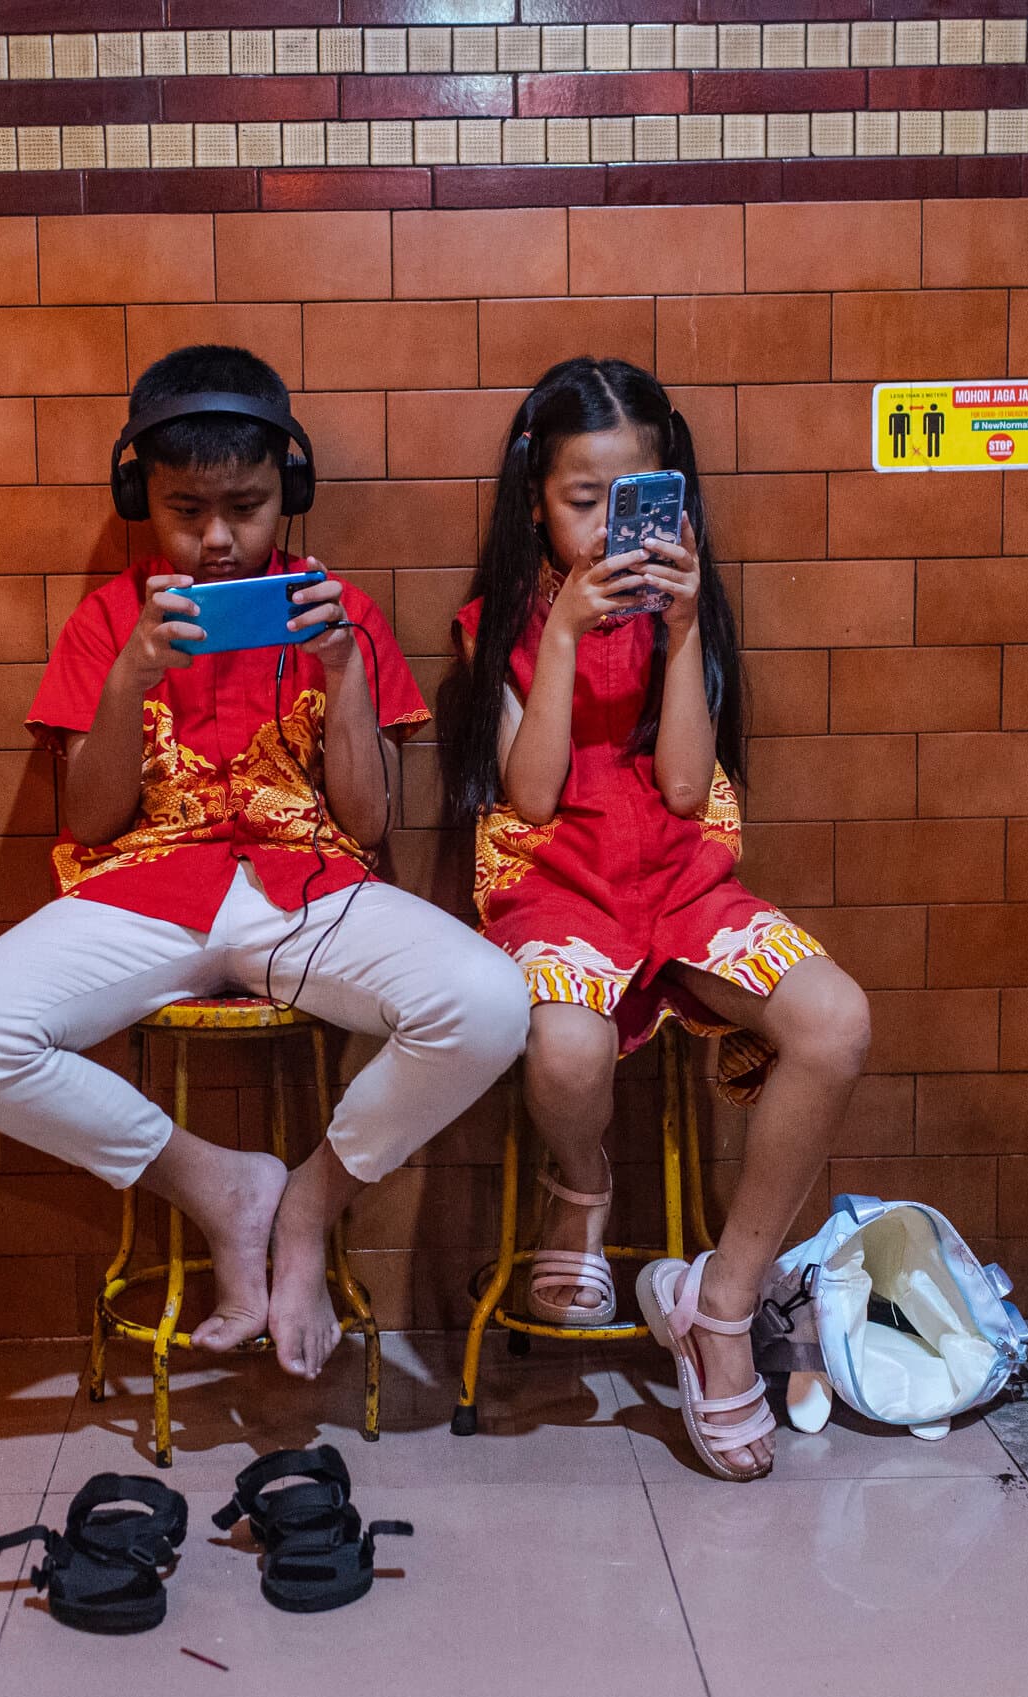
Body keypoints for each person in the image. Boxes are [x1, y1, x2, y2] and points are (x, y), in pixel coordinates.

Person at [0, 345, 529, 1381]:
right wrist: (130, 678)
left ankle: (310, 1203)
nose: (216, 539)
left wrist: (345, 671)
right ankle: (222, 1186)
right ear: (140, 500)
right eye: (185, 510)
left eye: (245, 508)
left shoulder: (341, 613)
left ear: (288, 491)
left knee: (490, 1002)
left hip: (311, 890)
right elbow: (92, 820)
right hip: (145, 895)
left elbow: (369, 821)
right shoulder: (110, 621)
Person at [440, 357, 870, 1478]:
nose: (608, 528)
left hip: (678, 876)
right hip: (557, 881)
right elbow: (532, 795)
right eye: (583, 501)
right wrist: (564, 635)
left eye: (635, 499)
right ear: (536, 500)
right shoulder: (498, 625)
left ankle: (719, 1306)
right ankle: (581, 1185)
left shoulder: (690, 611)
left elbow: (686, 788)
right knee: (567, 1046)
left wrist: (681, 632)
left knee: (835, 1021)